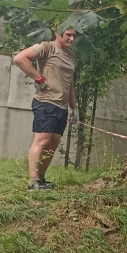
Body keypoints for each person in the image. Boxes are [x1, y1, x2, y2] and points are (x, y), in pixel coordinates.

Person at [12, 25, 79, 190]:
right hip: (46, 102)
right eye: (68, 35)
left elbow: (70, 83)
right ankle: (33, 181)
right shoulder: (46, 47)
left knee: (53, 143)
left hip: (62, 106)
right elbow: (20, 58)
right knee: (42, 140)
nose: (71, 39)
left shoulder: (71, 56)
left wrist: (73, 107)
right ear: (58, 33)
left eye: (74, 36)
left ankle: (41, 179)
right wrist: (39, 78)